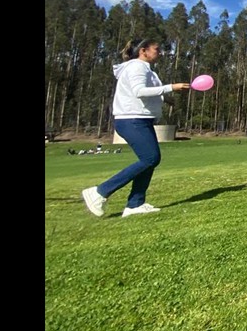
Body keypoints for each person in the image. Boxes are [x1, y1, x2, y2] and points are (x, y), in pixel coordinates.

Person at [81, 39, 190, 218]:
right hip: (131, 120)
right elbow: (139, 91)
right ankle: (99, 192)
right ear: (143, 51)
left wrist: (165, 98)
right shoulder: (137, 67)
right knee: (150, 158)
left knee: (149, 160)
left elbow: (146, 93)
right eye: (156, 49)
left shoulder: (147, 70)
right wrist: (171, 87)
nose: (160, 53)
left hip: (141, 119)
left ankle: (135, 204)